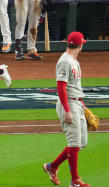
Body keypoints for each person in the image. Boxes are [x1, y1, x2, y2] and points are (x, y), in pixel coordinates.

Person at [42, 31, 91, 187]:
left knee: (81, 142)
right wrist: (67, 110)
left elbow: (74, 87)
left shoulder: (74, 60)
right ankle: (75, 180)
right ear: (80, 44)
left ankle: (52, 166)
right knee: (74, 143)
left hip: (77, 103)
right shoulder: (65, 61)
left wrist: (83, 106)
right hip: (68, 104)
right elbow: (61, 87)